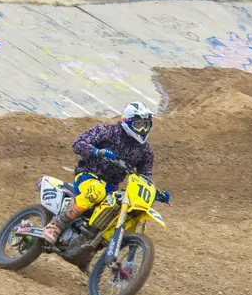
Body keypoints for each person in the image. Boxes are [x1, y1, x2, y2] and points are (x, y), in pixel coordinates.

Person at [43, 101, 171, 247]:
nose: (142, 130)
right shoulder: (107, 131)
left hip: (111, 187)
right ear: (127, 122)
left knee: (120, 212)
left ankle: (90, 248)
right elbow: (78, 143)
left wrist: (155, 192)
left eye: (146, 125)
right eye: (138, 125)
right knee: (96, 191)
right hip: (87, 175)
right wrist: (96, 151)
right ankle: (56, 224)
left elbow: (145, 176)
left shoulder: (146, 151)